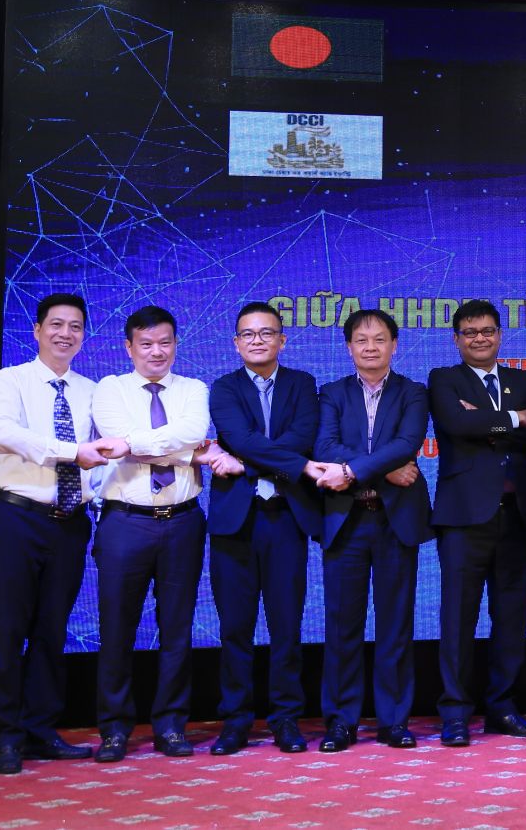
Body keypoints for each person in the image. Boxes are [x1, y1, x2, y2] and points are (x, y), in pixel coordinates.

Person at [0, 293, 115, 774]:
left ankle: (40, 731)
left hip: (69, 523)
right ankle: (5, 739)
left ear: (84, 335)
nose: (65, 334)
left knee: (51, 632)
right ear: (37, 330)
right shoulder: (11, 379)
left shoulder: (92, 391)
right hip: (17, 518)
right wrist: (68, 451)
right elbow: (1, 433)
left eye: (75, 326)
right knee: (6, 630)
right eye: (56, 324)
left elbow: (104, 455)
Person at [90, 305, 211, 762]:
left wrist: (135, 444)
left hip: (182, 520)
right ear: (129, 347)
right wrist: (186, 452)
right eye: (146, 344)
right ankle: (114, 729)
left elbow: (192, 430)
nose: (156, 351)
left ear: (176, 344)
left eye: (165, 342)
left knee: (177, 629)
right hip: (125, 520)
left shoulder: (194, 389)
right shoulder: (110, 388)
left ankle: (171, 726)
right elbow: (118, 441)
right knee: (116, 628)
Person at [204, 301, 323, 755]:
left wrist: (248, 462)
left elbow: (301, 438)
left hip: (286, 518)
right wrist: (289, 463)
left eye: (266, 333)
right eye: (248, 334)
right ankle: (235, 720)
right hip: (236, 522)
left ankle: (286, 719)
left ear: (282, 340)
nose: (257, 340)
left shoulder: (302, 383)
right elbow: (239, 437)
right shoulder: (224, 388)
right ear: (236, 343)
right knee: (235, 627)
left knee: (286, 626)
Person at [429, 299, 526, 746]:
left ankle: (503, 706)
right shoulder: (444, 379)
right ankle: (455, 712)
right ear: (456, 339)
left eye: (487, 331)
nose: (479, 338)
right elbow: (457, 425)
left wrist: (488, 422)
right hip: (464, 516)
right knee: (458, 617)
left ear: (500, 334)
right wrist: (513, 418)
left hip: (518, 513)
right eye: (470, 332)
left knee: (511, 616)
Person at [312, 308, 432, 752]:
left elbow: (406, 443)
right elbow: (324, 446)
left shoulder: (413, 392)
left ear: (394, 345)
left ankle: (393, 720)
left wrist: (352, 470)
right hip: (345, 520)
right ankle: (341, 721)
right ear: (349, 347)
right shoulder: (331, 393)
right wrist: (383, 470)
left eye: (379, 339)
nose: (370, 347)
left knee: (395, 624)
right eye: (361, 340)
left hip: (393, 520)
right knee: (342, 625)